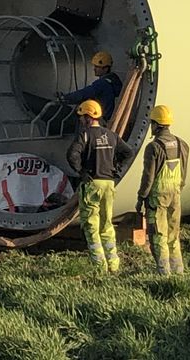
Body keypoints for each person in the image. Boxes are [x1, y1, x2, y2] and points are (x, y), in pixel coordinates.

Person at [67, 99, 133, 273]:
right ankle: (114, 264)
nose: (81, 120)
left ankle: (99, 266)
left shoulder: (85, 135)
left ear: (88, 117)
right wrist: (117, 171)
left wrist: (81, 172)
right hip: (109, 183)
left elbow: (72, 155)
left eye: (82, 117)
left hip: (92, 184)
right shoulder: (110, 135)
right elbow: (128, 152)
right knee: (106, 223)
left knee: (91, 225)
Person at [136, 105, 189, 275]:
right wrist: (178, 188)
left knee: (159, 235)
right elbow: (183, 172)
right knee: (174, 234)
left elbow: (148, 176)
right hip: (176, 195)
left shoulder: (154, 147)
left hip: (157, 198)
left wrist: (141, 197)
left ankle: (164, 273)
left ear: (156, 124)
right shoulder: (182, 144)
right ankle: (178, 271)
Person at [60, 51, 123, 122]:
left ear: (105, 69)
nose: (94, 69)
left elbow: (84, 94)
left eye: (97, 67)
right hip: (111, 120)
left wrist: (65, 98)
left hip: (102, 120)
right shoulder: (114, 80)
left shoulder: (102, 83)